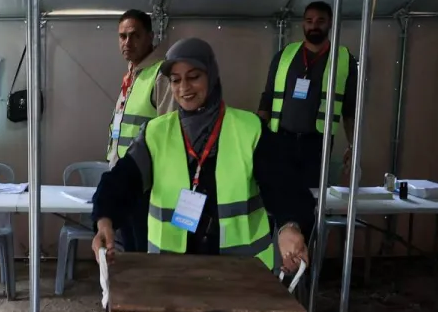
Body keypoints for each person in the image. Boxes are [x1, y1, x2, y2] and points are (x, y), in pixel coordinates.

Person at [91, 38, 309, 272]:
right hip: (172, 270)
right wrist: (104, 219)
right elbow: (121, 180)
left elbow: (285, 187)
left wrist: (290, 226)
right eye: (176, 80)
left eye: (194, 77)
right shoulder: (155, 133)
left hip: (242, 273)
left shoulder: (249, 129)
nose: (184, 88)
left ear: (211, 75)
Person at [258, 1, 358, 191]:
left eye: (320, 21)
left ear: (330, 24)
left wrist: (353, 146)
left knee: (311, 197)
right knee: (279, 194)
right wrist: (258, 136)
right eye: (309, 21)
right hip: (281, 139)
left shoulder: (344, 59)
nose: (314, 26)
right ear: (303, 24)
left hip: (317, 144)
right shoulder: (285, 55)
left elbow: (350, 108)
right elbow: (267, 98)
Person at [104, 9, 174, 252]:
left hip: (147, 184)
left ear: (150, 37)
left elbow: (169, 133)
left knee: (143, 250)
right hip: (125, 178)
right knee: (129, 249)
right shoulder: (133, 74)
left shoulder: (161, 74)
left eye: (134, 35)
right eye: (122, 36)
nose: (127, 43)